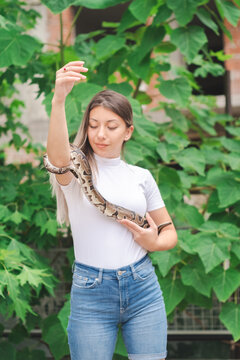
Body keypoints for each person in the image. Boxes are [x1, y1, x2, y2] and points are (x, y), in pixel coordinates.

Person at [46, 60, 178, 360]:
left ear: (128, 132)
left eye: (111, 126)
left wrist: (154, 242)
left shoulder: (141, 176)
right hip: (91, 291)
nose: (100, 134)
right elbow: (57, 157)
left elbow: (168, 231)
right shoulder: (76, 172)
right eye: (93, 125)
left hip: (143, 286)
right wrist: (59, 99)